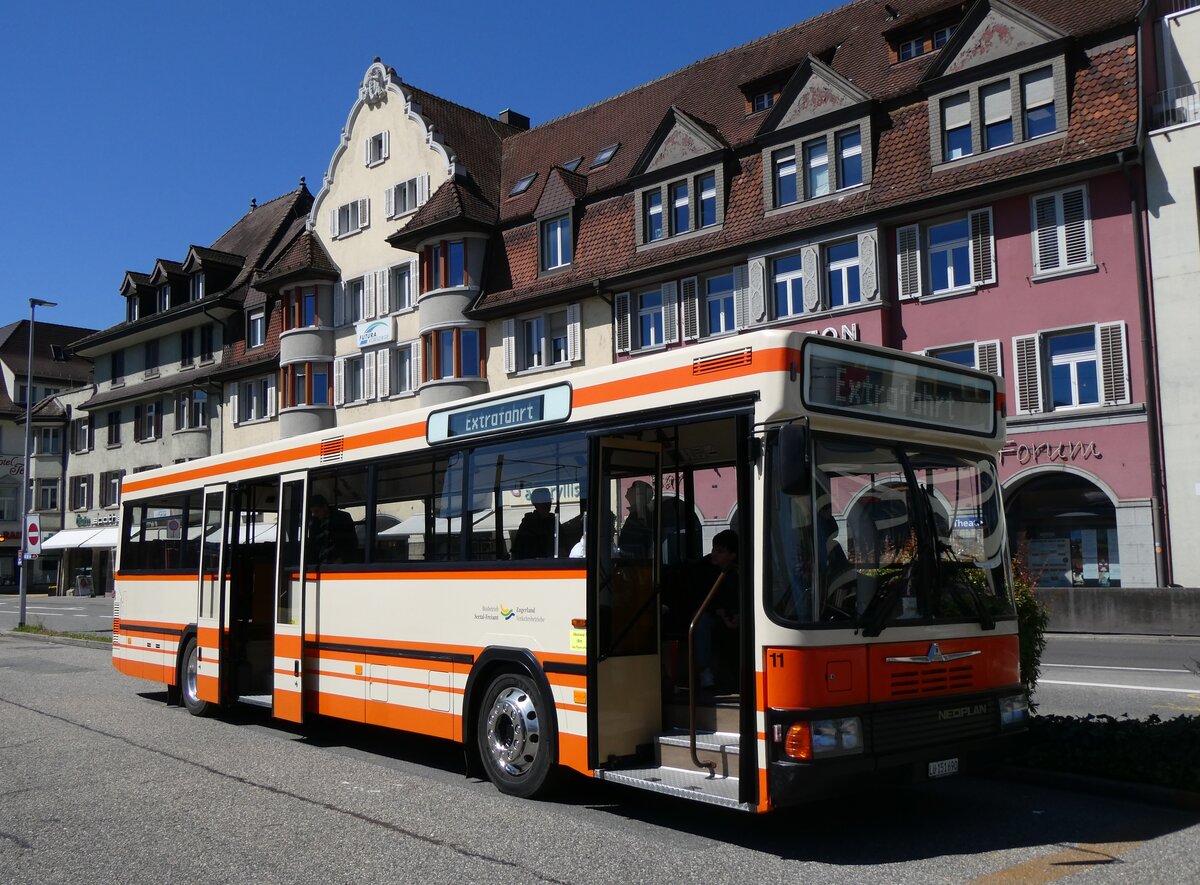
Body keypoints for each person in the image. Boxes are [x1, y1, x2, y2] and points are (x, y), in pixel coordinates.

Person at [692, 529, 739, 690]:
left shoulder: (739, 572)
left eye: (720, 551)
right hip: (711, 613)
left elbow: (739, 597)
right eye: (713, 549)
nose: (714, 554)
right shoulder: (703, 569)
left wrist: (736, 615)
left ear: (732, 555)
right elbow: (701, 597)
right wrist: (722, 613)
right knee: (701, 622)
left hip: (731, 615)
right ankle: (705, 672)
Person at [308, 494, 358, 564]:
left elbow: (352, 542)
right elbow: (312, 546)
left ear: (325, 507)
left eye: (317, 511)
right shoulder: (314, 524)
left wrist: (343, 559)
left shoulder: (342, 518)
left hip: (337, 564)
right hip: (320, 565)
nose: (315, 515)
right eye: (313, 512)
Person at [512, 488, 557, 559]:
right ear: (535, 504)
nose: (548, 504)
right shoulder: (527, 523)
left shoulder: (553, 521)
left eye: (548, 500)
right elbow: (517, 551)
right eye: (543, 501)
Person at [617, 480, 654, 558]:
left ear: (639, 495)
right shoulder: (638, 514)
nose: (628, 489)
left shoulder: (640, 516)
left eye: (632, 488)